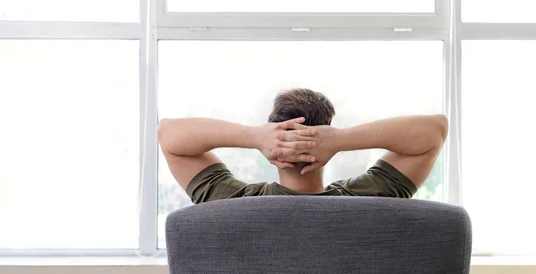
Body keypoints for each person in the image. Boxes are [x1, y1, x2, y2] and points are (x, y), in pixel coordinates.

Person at [157, 88, 448, 203]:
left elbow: (168, 134)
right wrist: (341, 140)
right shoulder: (371, 196)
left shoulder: (230, 202)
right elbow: (435, 131)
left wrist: (255, 137)